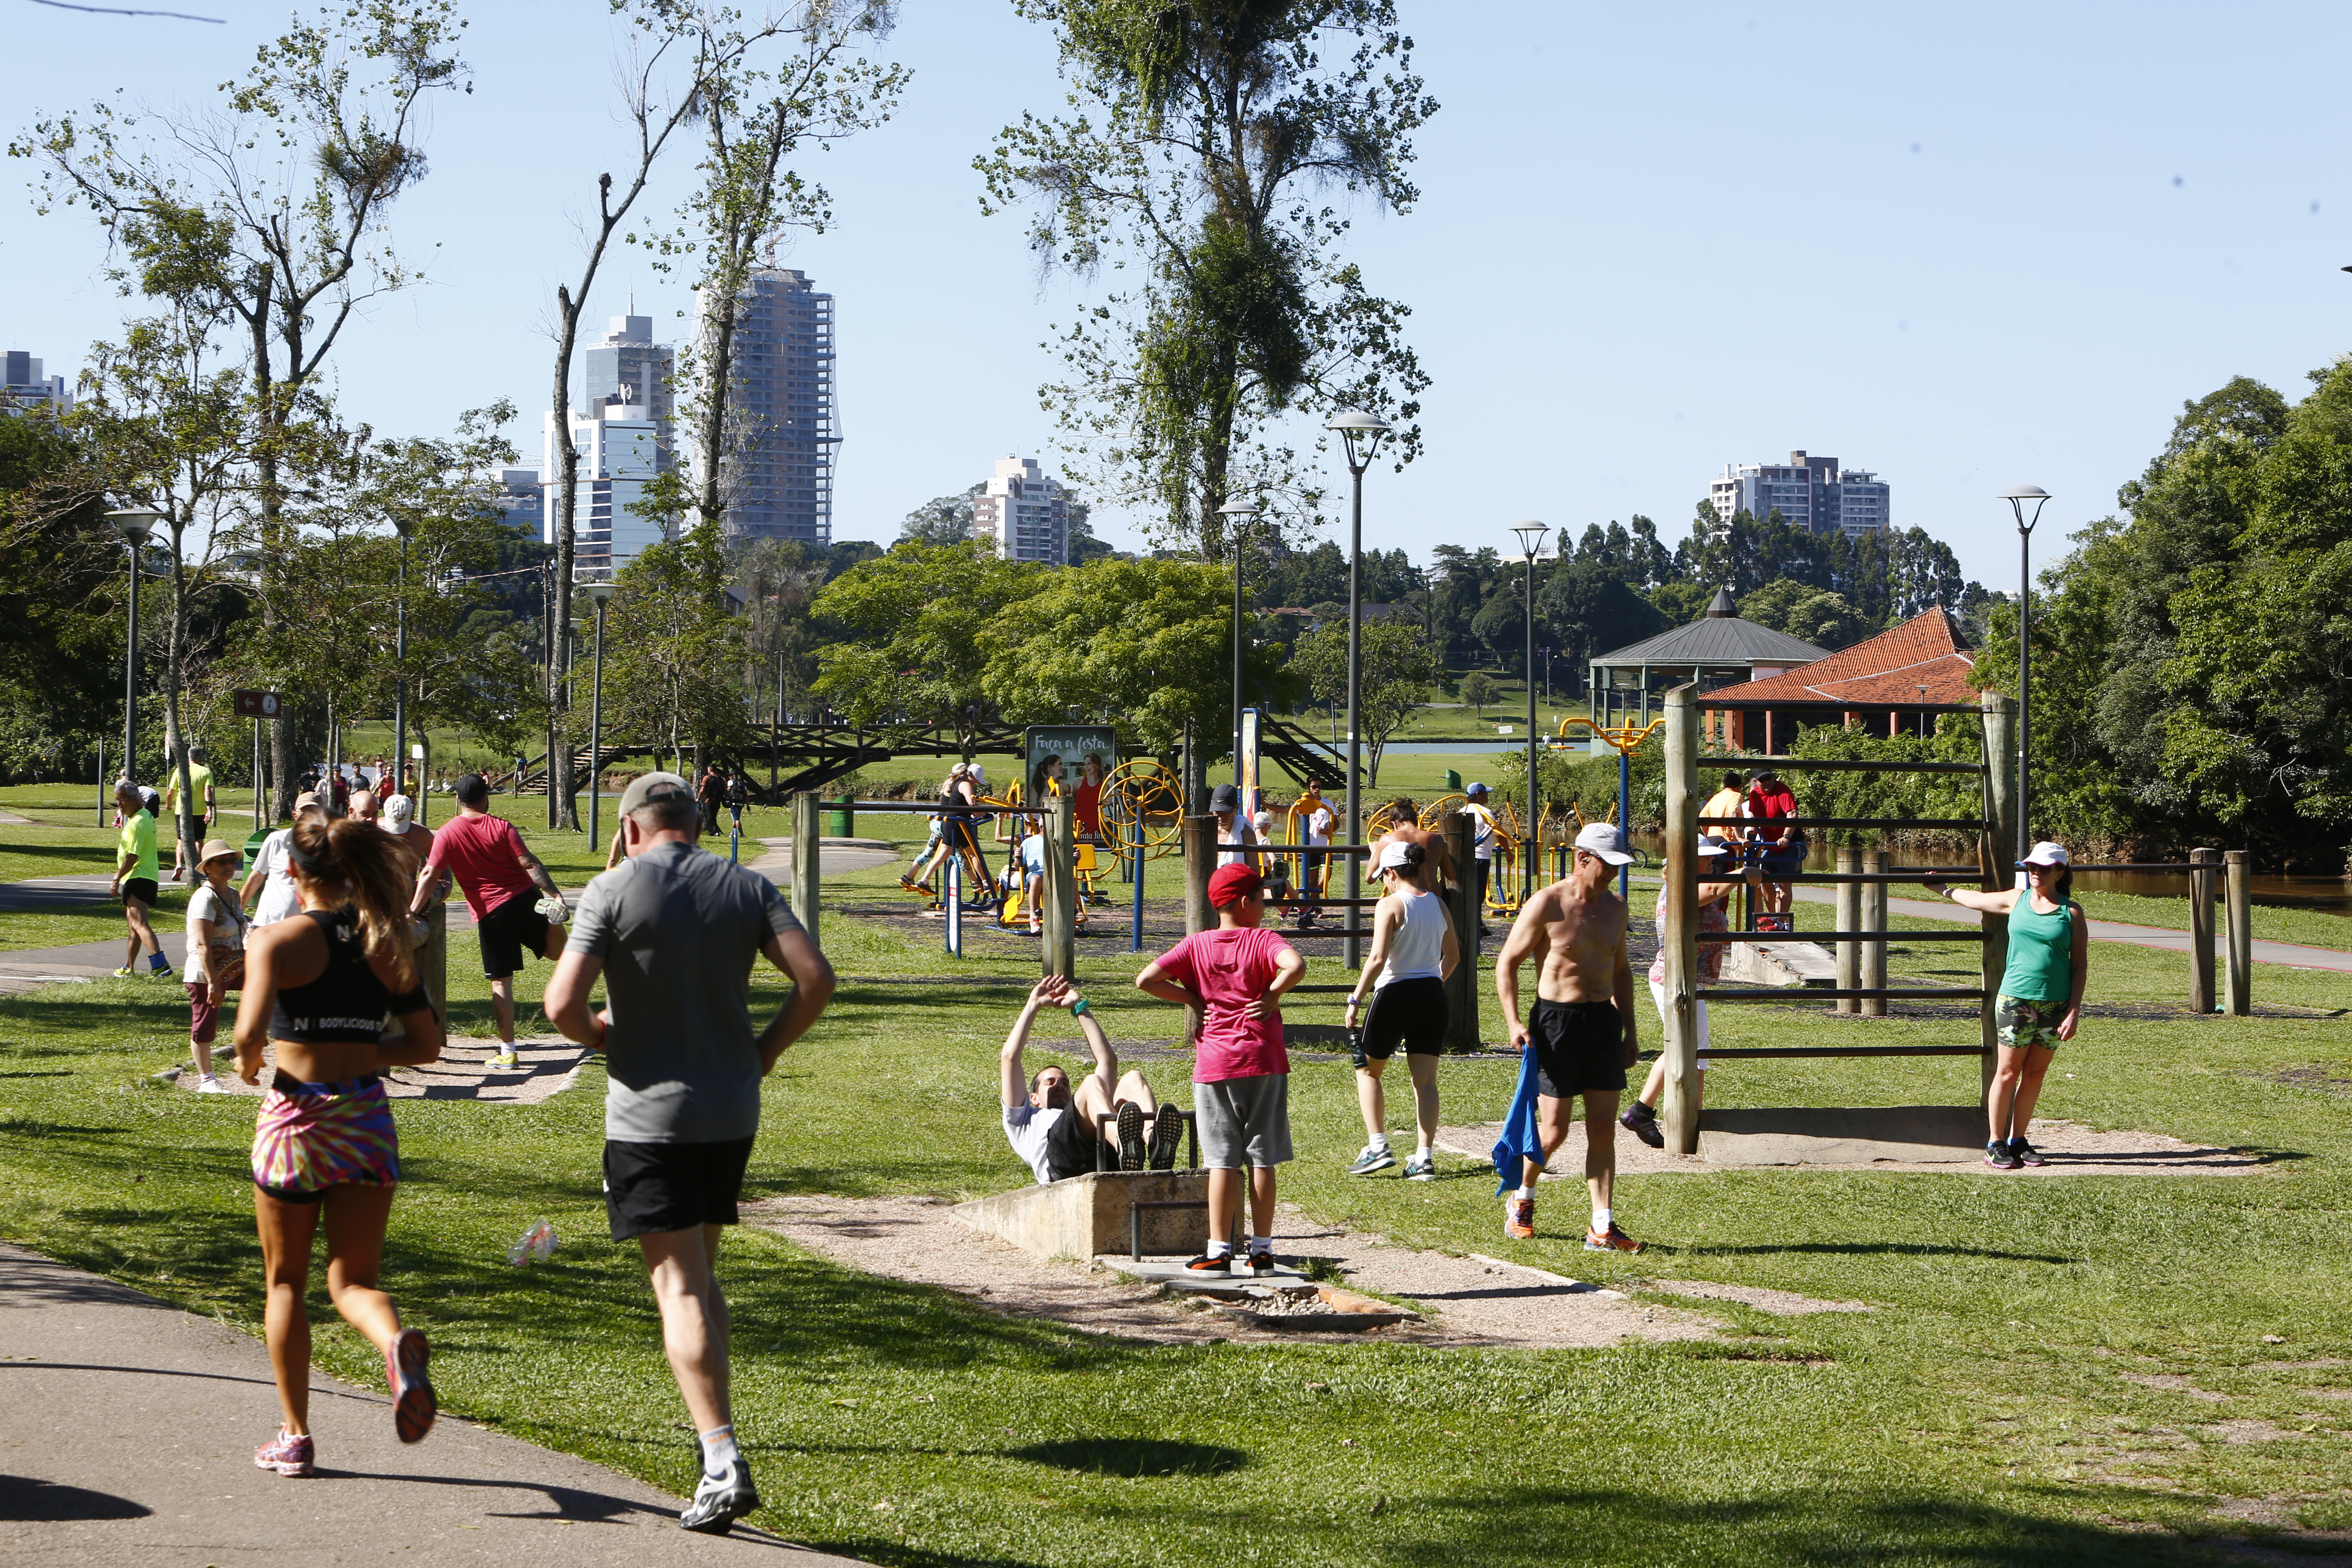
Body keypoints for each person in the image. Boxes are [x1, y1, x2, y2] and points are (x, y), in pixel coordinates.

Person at [542, 772, 837, 1534]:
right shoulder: (746, 886)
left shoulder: (612, 889)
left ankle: (720, 1456)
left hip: (650, 1118)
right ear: (697, 823)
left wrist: (600, 1036)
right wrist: (765, 1051)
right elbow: (815, 979)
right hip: (731, 1111)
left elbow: (560, 1005)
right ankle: (719, 1434)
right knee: (701, 1273)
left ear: (630, 826)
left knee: (677, 1285)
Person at [232, 815, 447, 1478]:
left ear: (293, 872)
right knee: (353, 1282)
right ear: (352, 873)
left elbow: (246, 1040)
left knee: (287, 1281)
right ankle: (393, 1342)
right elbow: (426, 1045)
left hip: (296, 1119)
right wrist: (358, 1049)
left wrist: (250, 1067)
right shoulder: (386, 945)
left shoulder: (275, 940)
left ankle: (295, 1436)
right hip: (364, 1119)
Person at [1136, 863, 1305, 1274]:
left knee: (1222, 1161)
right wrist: (1271, 996)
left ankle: (1219, 1250)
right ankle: (1262, 1251)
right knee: (1262, 1159)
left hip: (1215, 1064)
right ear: (1246, 903)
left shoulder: (1196, 945)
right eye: (1262, 897)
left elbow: (1147, 980)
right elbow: (1295, 966)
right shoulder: (1263, 939)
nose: (1266, 903)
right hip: (1264, 1060)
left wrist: (1193, 1000)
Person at [1493, 821, 1643, 1252]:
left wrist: (1630, 1030)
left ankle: (1602, 1226)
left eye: (1619, 865)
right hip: (1556, 1024)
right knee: (1554, 1130)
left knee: (1602, 1127)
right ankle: (1523, 1200)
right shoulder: (1548, 904)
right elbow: (1508, 964)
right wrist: (1514, 1022)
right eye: (1607, 865)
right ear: (1583, 859)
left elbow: (1620, 972)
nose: (1614, 873)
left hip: (1602, 1023)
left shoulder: (1617, 907)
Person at [1924, 842, 2089, 1170]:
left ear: (2060, 872)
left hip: (2055, 1004)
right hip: (2016, 1000)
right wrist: (1942, 888)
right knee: (2008, 1072)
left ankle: (2018, 1140)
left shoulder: (2071, 912)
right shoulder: (2017, 899)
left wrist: (2073, 1011)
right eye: (2032, 867)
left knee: (2035, 1074)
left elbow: (2080, 965)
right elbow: (1976, 900)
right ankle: (1995, 1142)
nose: (2035, 873)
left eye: (2043, 868)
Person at [409, 774, 571, 1071]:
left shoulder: (447, 833)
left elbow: (430, 873)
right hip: (526, 898)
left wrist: (412, 912)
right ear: (485, 798)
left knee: (501, 982)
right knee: (557, 952)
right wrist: (555, 894)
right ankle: (553, 919)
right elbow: (530, 864)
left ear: (458, 800)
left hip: (493, 913)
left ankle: (508, 1052)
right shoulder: (502, 826)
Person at [1343, 839, 1460, 1180]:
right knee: (1425, 1082)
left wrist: (1355, 998)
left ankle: (1378, 1145)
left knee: (1368, 1072)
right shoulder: (1439, 904)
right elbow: (1453, 956)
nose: (1383, 882)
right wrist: (1433, 980)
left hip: (1394, 994)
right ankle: (1424, 1158)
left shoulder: (1390, 904)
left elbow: (1378, 959)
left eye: (1384, 876)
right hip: (1433, 995)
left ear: (1392, 873)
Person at [1619, 834, 1744, 1146]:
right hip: (1676, 983)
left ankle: (1650, 1111)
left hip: (1686, 981)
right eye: (1705, 858)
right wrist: (1743, 873)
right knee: (1692, 1052)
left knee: (1688, 1049)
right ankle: (1675, 1117)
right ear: (1687, 862)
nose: (1712, 862)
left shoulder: (1687, 886)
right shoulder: (1681, 889)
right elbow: (1715, 889)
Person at [999, 974, 1183, 1182]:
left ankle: (1153, 1141)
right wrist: (1033, 1005)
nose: (1060, 1085)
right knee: (1091, 1082)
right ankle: (1123, 1143)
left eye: (1065, 1083)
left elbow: (1108, 1061)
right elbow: (1009, 1058)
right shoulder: (1023, 1120)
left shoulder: (1089, 1106)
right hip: (1062, 1165)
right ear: (1033, 1098)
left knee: (1133, 1078)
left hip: (1104, 1154)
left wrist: (1079, 1007)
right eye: (1050, 1082)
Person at [182, 837, 249, 1092]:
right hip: (205, 973)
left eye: (232, 860)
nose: (229, 865)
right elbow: (202, 944)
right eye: (221, 862)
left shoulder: (233, 895)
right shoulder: (204, 899)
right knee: (205, 1023)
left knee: (273, 989)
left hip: (235, 965)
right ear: (208, 867)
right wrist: (213, 983)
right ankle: (206, 1080)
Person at [109, 781, 170, 979]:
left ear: (135, 799)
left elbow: (132, 856)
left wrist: (116, 878)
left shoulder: (137, 822)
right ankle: (129, 967)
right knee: (133, 926)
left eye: (123, 801)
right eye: (117, 801)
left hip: (139, 875)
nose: (120, 805)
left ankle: (160, 964)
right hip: (144, 876)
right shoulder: (145, 816)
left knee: (140, 923)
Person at [245, 793, 328, 928]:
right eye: (305, 812)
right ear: (295, 815)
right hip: (268, 924)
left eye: (314, 812)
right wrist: (236, 914)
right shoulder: (276, 840)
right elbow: (256, 878)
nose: (309, 818)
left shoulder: (328, 847)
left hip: (305, 928)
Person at [1747, 770, 1801, 915]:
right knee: (1764, 880)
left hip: (1788, 845)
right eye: (1762, 779)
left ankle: (1782, 921)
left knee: (1785, 884)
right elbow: (1754, 813)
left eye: (1769, 778)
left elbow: (1792, 813)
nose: (1767, 782)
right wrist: (1753, 834)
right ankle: (1773, 917)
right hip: (1768, 844)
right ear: (1756, 781)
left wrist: (1786, 837)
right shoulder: (1755, 794)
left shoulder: (1782, 790)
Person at [164, 744, 216, 882]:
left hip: (182, 810)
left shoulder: (180, 770)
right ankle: (197, 868)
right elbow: (208, 791)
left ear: (188, 757)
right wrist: (209, 809)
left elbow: (171, 791)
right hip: (199, 811)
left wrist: (168, 804)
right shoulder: (205, 771)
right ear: (200, 758)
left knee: (181, 839)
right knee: (199, 840)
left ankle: (179, 865)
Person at [1462, 783, 1499, 932]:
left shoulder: (1462, 811)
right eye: (1485, 793)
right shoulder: (1485, 812)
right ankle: (1477, 925)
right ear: (1478, 794)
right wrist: (1509, 852)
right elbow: (1498, 833)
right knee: (1479, 892)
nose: (1487, 796)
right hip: (1481, 857)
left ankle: (1473, 922)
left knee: (1468, 890)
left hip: (1465, 857)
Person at [1296, 782, 1335, 924]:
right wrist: (1264, 803)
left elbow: (1335, 824)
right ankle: (1315, 906)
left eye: (1319, 786)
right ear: (1308, 788)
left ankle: (1308, 905)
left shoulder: (1327, 804)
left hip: (1325, 847)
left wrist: (1329, 831)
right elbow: (1286, 810)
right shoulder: (1302, 803)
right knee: (1312, 880)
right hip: (1310, 847)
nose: (1317, 789)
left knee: (1325, 878)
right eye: (1314, 786)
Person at [1210, 782, 1258, 869]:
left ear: (1237, 808)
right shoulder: (1207, 830)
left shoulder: (1246, 833)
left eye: (1226, 812)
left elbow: (1254, 871)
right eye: (1217, 812)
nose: (1222, 817)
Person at [1073, 753, 1106, 844]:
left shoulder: (1104, 786)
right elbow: (1073, 799)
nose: (1086, 767)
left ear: (1097, 766)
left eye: (1089, 763)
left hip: (1093, 822)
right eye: (1085, 764)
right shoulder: (1078, 782)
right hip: (1078, 821)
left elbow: (1102, 805)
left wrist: (1107, 803)